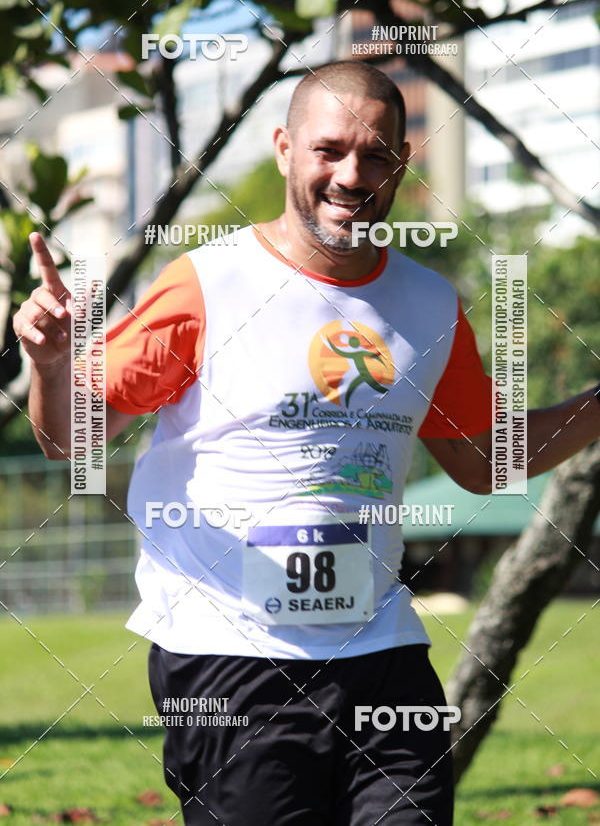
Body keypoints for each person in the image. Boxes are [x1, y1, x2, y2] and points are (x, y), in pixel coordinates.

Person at [14, 60, 600, 825]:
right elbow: (70, 439)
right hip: (228, 659)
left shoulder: (427, 301)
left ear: (401, 162)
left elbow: (484, 462)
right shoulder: (208, 283)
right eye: (330, 150)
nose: (352, 175)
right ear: (285, 146)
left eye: (376, 155)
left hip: (381, 651)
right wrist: (50, 363)